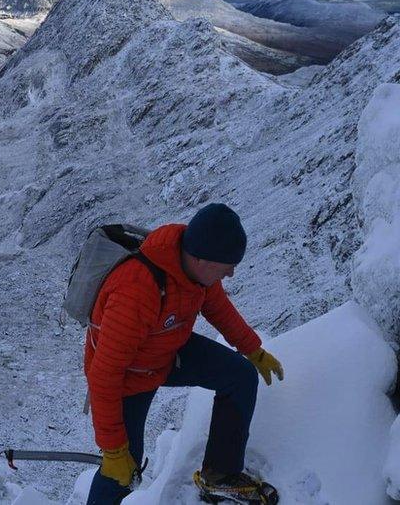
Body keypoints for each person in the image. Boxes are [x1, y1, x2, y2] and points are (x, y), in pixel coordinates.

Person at [84, 203, 283, 504]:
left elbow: (218, 307)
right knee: (122, 467)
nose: (231, 272)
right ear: (202, 259)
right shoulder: (136, 291)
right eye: (227, 264)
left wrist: (252, 350)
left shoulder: (196, 271)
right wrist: (113, 449)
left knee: (239, 376)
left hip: (165, 351)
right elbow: (104, 374)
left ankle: (220, 475)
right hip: (129, 376)